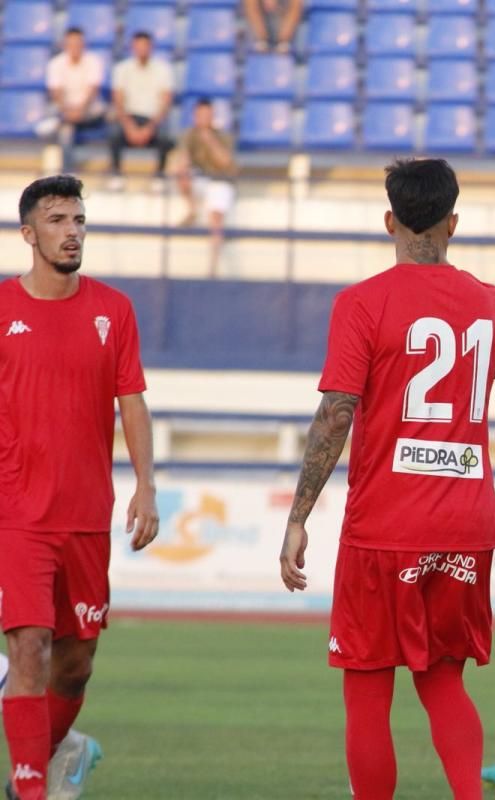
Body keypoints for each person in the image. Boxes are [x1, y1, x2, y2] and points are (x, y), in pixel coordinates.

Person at [279, 159, 495, 800]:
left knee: (367, 686)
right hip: (467, 523)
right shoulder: (490, 302)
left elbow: (336, 413)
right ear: (452, 222)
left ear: (389, 220)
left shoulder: (361, 303)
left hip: (386, 523)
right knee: (443, 682)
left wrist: (298, 517)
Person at [1, 174, 159, 800]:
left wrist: (146, 486)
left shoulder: (112, 310)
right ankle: (31, 787)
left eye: (79, 220)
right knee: (32, 646)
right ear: (29, 233)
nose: (72, 232)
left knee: (76, 663)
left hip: (88, 515)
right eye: (59, 220)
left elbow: (133, 402)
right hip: (19, 514)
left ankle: (49, 756)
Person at [172, 98, 238, 277]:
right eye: (200, 115)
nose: (204, 119)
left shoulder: (222, 136)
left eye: (207, 115)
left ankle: (213, 267)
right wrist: (183, 165)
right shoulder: (189, 136)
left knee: (216, 219)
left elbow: (225, 163)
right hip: (201, 180)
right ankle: (192, 210)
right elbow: (183, 159)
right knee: (181, 172)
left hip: (220, 180)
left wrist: (210, 141)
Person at [35, 28, 107, 174]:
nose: (75, 46)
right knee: (67, 131)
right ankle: (68, 171)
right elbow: (56, 93)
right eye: (71, 43)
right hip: (65, 110)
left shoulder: (94, 62)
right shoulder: (55, 63)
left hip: (88, 109)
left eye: (78, 43)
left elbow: (93, 90)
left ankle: (56, 123)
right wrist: (68, 111)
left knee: (102, 110)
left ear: (84, 44)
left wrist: (79, 110)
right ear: (65, 44)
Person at [108, 31, 174, 189]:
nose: (142, 49)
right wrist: (129, 126)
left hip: (153, 120)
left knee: (166, 138)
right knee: (114, 135)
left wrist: (150, 128)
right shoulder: (122, 69)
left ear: (151, 47)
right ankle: (116, 174)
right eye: (138, 46)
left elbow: (165, 103)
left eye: (145, 46)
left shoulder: (163, 70)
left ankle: (159, 175)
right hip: (129, 118)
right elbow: (118, 101)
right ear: (132, 47)